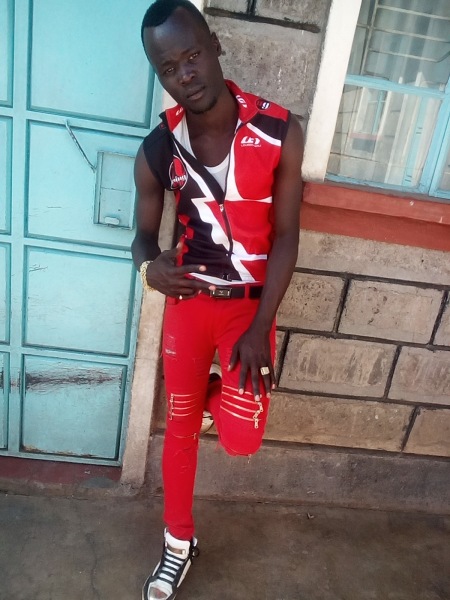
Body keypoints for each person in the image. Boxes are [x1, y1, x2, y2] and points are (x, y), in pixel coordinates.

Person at [132, 1, 303, 598]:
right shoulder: (159, 147)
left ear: (215, 45)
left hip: (249, 312)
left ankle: (216, 395)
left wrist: (262, 326)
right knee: (179, 429)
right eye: (168, 67)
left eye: (192, 55)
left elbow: (287, 237)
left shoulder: (278, 130)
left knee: (241, 439)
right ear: (159, 75)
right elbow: (142, 236)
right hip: (189, 307)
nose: (185, 74)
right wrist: (149, 269)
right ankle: (178, 543)